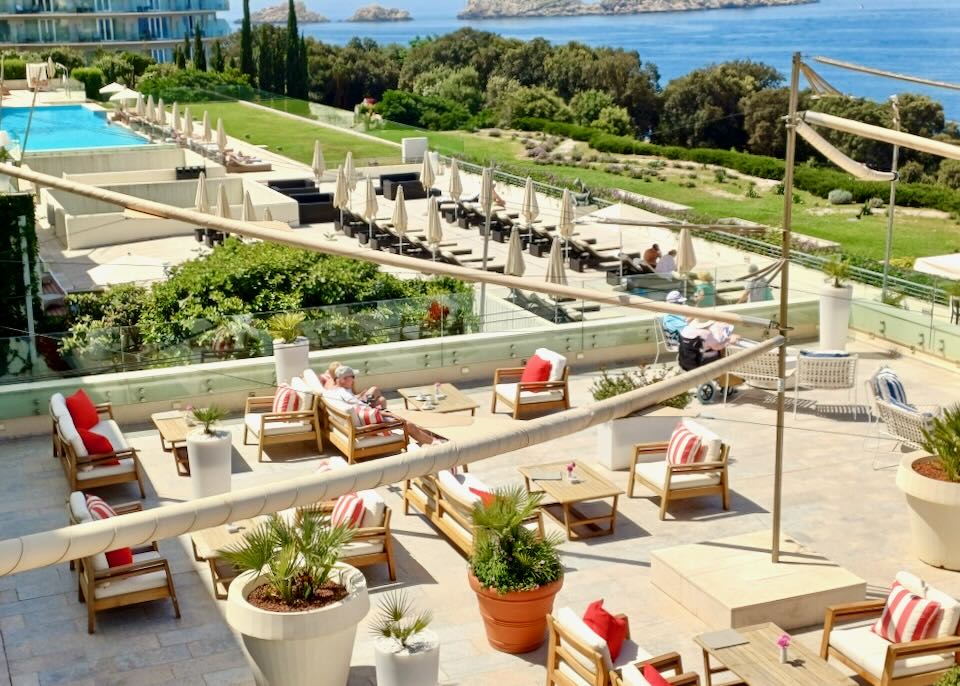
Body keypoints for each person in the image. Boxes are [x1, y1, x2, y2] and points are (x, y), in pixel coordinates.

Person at [325, 366, 438, 445]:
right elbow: (362, 408)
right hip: (368, 424)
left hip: (361, 420)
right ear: (343, 379)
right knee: (408, 425)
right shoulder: (343, 393)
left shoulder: (335, 392)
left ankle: (434, 437)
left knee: (411, 424)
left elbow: (355, 405)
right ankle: (437, 444)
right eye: (352, 377)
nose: (354, 380)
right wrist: (384, 413)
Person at [679, 319, 744, 393]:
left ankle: (725, 382)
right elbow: (718, 346)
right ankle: (727, 383)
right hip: (701, 362)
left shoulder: (685, 330)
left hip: (685, 361)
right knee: (724, 355)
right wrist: (729, 340)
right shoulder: (706, 334)